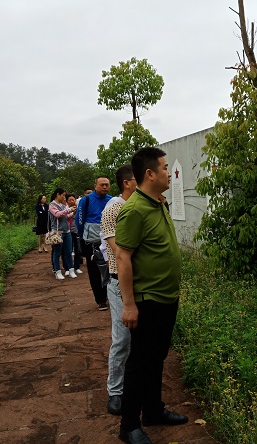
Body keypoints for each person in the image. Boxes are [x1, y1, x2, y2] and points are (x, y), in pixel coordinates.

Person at [115, 147, 187, 444]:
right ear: (150, 174)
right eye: (165, 167)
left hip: (167, 297)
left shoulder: (158, 203)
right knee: (140, 362)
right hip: (147, 300)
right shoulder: (134, 210)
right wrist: (129, 304)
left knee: (157, 357)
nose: (169, 173)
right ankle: (129, 426)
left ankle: (154, 410)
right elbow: (123, 258)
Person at [100, 165, 137, 415]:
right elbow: (118, 252)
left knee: (138, 339)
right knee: (122, 338)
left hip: (141, 280)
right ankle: (115, 390)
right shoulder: (114, 208)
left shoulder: (141, 204)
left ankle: (133, 385)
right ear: (127, 183)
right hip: (118, 280)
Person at [76, 176, 112, 310]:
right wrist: (81, 236)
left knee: (110, 269)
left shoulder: (111, 200)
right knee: (94, 271)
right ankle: (101, 300)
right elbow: (79, 220)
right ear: (95, 185)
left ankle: (109, 295)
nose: (104, 187)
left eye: (107, 185)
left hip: (109, 241)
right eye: (102, 184)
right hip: (91, 242)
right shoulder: (86, 200)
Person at [49, 188, 77, 280]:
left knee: (68, 252)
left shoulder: (63, 205)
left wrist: (72, 213)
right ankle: (57, 271)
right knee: (57, 253)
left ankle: (71, 270)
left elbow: (66, 216)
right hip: (57, 232)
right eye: (63, 195)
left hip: (67, 231)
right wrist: (69, 209)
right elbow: (57, 214)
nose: (64, 197)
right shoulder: (52, 205)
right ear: (58, 194)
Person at [65, 193, 83, 276]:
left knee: (77, 249)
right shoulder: (65, 209)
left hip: (76, 230)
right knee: (67, 250)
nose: (72, 201)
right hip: (67, 230)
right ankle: (67, 268)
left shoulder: (79, 208)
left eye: (73, 200)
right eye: (70, 200)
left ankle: (77, 267)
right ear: (67, 201)